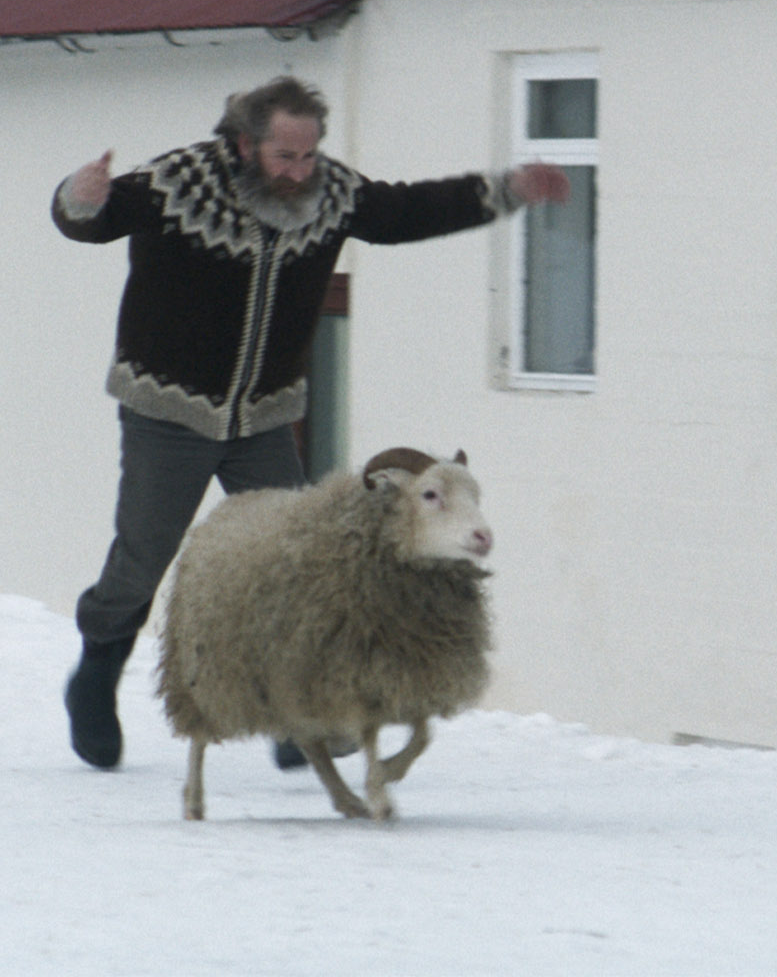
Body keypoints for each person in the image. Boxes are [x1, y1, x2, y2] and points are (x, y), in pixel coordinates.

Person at [53, 75, 569, 770]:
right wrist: (79, 198)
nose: (299, 172)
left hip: (264, 415)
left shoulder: (333, 194)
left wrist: (507, 190)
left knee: (295, 569)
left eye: (308, 156)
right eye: (284, 157)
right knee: (143, 556)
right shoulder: (179, 182)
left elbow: (408, 211)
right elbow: (94, 220)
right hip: (168, 409)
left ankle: (294, 717)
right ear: (243, 144)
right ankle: (94, 676)